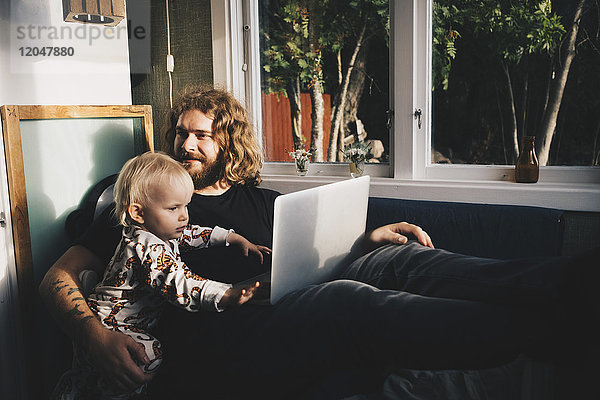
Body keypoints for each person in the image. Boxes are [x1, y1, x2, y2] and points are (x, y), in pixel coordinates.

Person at [40, 86, 599, 399]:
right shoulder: (145, 205)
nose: (187, 142)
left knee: (393, 260)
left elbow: (301, 263)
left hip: (283, 303)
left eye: (202, 134)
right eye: (181, 132)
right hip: (227, 337)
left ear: (227, 139)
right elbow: (56, 277)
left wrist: (364, 241)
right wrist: (93, 337)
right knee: (343, 301)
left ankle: (571, 284)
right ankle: (554, 334)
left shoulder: (262, 201)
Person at [52, 151, 270, 399]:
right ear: (138, 213)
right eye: (174, 208)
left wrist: (230, 237)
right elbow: (180, 283)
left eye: (185, 205)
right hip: (114, 324)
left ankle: (78, 383)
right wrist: (226, 294)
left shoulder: (161, 232)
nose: (184, 215)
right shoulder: (147, 246)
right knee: (150, 355)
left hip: (124, 317)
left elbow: (193, 234)